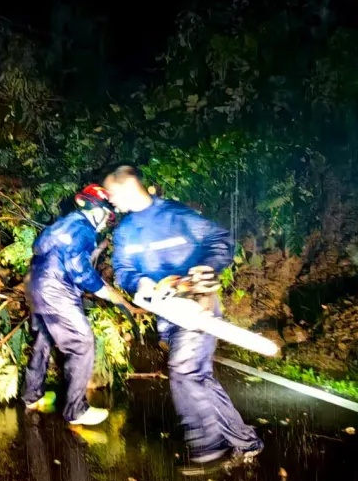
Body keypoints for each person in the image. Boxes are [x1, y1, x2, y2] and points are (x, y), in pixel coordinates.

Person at [103, 165, 263, 463]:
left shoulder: (177, 216)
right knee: (198, 378)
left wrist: (208, 266)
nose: (110, 200)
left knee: (184, 371)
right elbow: (123, 269)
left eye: (111, 193)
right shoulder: (125, 231)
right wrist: (140, 282)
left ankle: (209, 447)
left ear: (127, 187)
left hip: (197, 304)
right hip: (167, 312)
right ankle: (246, 441)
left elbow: (220, 241)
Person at [22, 184, 131, 426]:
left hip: (37, 287)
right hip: (57, 290)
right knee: (82, 342)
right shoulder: (83, 229)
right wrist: (105, 291)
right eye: (107, 217)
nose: (105, 224)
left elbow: (38, 246)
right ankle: (76, 410)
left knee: (44, 340)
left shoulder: (63, 224)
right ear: (98, 210)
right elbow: (79, 269)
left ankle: (32, 396)